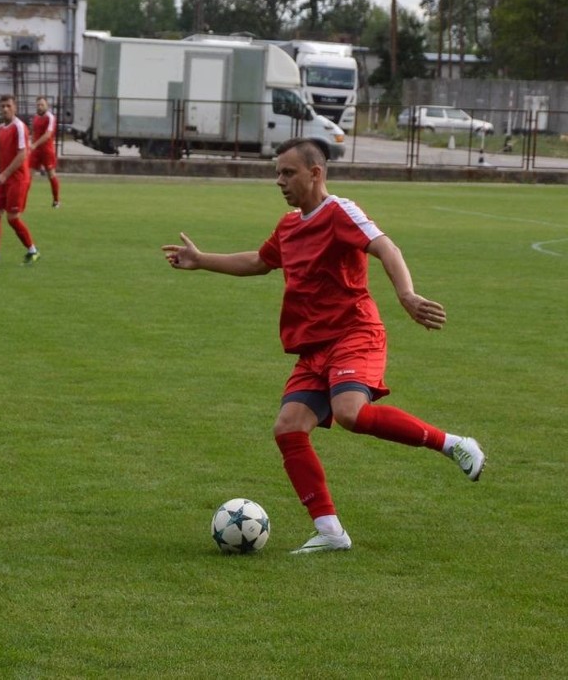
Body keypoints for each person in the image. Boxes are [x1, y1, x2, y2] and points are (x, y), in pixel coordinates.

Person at [162, 137, 485, 555]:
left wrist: (406, 295)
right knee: (288, 428)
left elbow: (386, 247)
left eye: (288, 172)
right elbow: (260, 262)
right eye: (277, 172)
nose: (279, 181)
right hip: (313, 349)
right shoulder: (289, 225)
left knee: (350, 413)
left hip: (354, 334)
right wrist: (202, 260)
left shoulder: (340, 212)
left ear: (316, 173)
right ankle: (330, 530)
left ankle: (453, 443)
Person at [0, 94, 40, 266]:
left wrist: (4, 175)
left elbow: (22, 154)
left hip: (17, 179)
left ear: (15, 107)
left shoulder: (19, 127)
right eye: (2, 106)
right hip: (3, 178)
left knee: (12, 218)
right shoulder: (0, 129)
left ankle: (33, 251)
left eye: (8, 105)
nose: (5, 109)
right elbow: (0, 151)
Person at [29, 95, 60, 207]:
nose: (40, 107)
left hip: (47, 150)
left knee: (51, 175)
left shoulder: (50, 117)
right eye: (38, 105)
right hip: (35, 151)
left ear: (47, 105)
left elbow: (48, 135)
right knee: (28, 175)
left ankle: (56, 200)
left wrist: (35, 144)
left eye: (42, 104)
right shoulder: (35, 117)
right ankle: (21, 199)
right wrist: (31, 144)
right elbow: (33, 132)